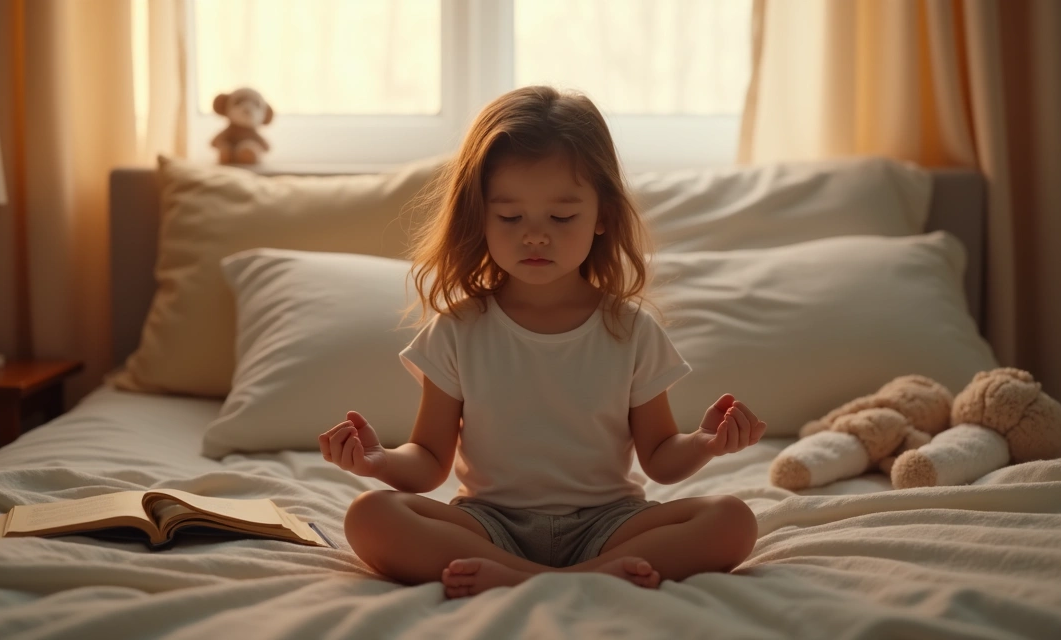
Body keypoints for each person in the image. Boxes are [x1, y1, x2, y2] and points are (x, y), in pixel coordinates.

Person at [319, 85, 766, 599]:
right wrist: (377, 460)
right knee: (370, 514)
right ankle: (580, 579)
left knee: (733, 519)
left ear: (603, 216)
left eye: (561, 217)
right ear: (478, 216)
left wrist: (705, 442)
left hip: (609, 522)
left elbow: (661, 459)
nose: (535, 235)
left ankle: (526, 579)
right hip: (490, 524)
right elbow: (428, 460)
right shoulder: (458, 330)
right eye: (510, 217)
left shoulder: (631, 330)